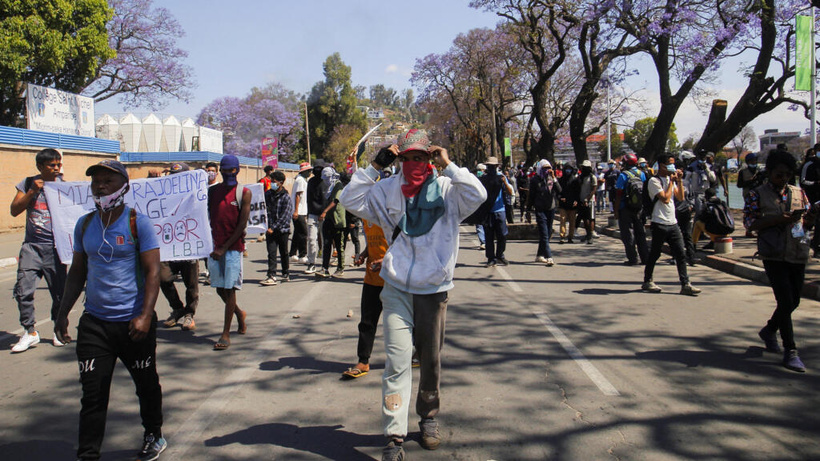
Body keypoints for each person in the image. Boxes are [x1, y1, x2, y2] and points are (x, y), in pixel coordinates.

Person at [339, 129, 485, 461]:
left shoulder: (449, 190)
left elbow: (478, 195)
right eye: (407, 158)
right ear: (400, 159)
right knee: (397, 361)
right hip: (396, 289)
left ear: (430, 158)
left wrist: (450, 165)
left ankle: (428, 419)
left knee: (430, 362)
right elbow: (350, 199)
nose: (414, 164)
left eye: (421, 157)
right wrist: (376, 166)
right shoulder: (387, 190)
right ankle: (394, 435)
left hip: (433, 291)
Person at [54, 160, 166, 461]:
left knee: (146, 384)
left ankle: (154, 433)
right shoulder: (85, 224)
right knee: (93, 393)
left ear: (124, 187)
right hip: (95, 324)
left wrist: (144, 315)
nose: (101, 186)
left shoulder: (137, 222)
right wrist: (63, 312)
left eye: (108, 181)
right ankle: (88, 453)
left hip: (132, 323)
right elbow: (77, 272)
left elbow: (153, 271)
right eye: (96, 182)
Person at [745, 149, 810, 372]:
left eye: (787, 175)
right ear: (770, 172)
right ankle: (790, 350)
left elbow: (806, 221)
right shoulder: (757, 194)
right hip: (773, 254)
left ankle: (770, 329)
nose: (783, 179)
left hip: (797, 252)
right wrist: (775, 220)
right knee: (784, 300)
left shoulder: (798, 192)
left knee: (794, 301)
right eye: (779, 175)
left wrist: (809, 217)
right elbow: (750, 223)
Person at [9, 148, 67, 352]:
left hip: (55, 249)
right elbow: (14, 210)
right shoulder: (27, 184)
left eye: (59, 164)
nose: (57, 168)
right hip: (31, 247)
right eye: (52, 165)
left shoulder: (64, 187)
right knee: (23, 291)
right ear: (40, 167)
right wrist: (33, 191)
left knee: (60, 294)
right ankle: (30, 332)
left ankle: (59, 329)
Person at [641, 153, 702, 296]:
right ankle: (647, 280)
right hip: (659, 222)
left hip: (673, 222)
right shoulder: (654, 181)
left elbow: (680, 197)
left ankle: (685, 284)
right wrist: (670, 183)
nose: (672, 167)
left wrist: (678, 181)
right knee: (655, 254)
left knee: (681, 253)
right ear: (662, 165)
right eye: (669, 164)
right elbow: (665, 199)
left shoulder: (670, 179)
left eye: (673, 164)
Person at [207, 155, 250, 350]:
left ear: (237, 170)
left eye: (231, 170)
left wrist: (224, 247)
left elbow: (242, 224)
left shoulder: (244, 193)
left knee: (230, 288)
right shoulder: (213, 191)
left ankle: (225, 333)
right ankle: (239, 313)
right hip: (214, 247)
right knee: (219, 288)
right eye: (224, 170)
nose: (228, 174)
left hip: (232, 248)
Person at [341, 219, 389, 380]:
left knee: (405, 321)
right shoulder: (366, 217)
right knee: (367, 322)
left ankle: (419, 352)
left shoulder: (391, 212)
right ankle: (363, 361)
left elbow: (403, 244)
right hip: (372, 278)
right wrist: (363, 255)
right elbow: (373, 244)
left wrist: (386, 261)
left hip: (394, 280)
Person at [159, 163, 200, 332]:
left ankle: (189, 313)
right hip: (168, 245)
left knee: (191, 283)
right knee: (163, 277)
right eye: (173, 175)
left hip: (189, 245)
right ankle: (177, 308)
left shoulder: (196, 194)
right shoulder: (163, 195)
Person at [614, 153, 649, 265]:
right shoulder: (642, 174)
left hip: (625, 208)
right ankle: (645, 258)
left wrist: (616, 210)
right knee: (640, 233)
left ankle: (633, 258)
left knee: (628, 234)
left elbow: (619, 194)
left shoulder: (623, 175)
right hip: (639, 208)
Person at [479, 156, 513, 266]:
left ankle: (500, 255)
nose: (491, 168)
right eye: (489, 166)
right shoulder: (483, 179)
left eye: (493, 166)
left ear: (497, 167)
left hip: (500, 210)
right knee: (489, 236)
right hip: (488, 211)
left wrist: (505, 182)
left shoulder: (501, 178)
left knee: (502, 235)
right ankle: (491, 258)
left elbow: (510, 192)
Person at [261, 171, 294, 286]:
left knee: (283, 252)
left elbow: (285, 216)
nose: (272, 183)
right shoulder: (268, 194)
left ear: (280, 183)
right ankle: (271, 275)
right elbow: (263, 210)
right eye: (271, 181)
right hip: (270, 229)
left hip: (282, 230)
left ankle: (285, 273)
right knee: (271, 252)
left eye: (274, 182)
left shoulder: (286, 197)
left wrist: (273, 227)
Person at [526, 159, 561, 266]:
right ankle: (549, 256)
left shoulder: (552, 179)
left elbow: (559, 190)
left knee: (548, 233)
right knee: (544, 233)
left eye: (548, 168)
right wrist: (528, 210)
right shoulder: (535, 180)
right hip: (540, 209)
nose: (547, 170)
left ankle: (539, 255)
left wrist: (554, 178)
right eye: (544, 168)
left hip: (550, 209)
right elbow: (531, 195)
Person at [317, 166, 346, 278]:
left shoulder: (338, 185)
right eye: (324, 178)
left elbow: (335, 201)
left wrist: (324, 212)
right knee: (327, 244)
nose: (326, 180)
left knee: (339, 245)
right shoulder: (328, 187)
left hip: (337, 220)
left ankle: (340, 268)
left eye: (327, 177)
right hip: (329, 220)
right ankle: (325, 268)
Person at [305, 162, 327, 274]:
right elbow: (308, 198)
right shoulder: (311, 182)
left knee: (324, 240)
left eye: (320, 168)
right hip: (312, 214)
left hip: (324, 215)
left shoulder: (326, 182)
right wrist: (307, 213)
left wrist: (325, 212)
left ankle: (324, 264)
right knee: (311, 240)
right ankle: (311, 263)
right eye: (316, 168)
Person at [289, 162, 311, 263]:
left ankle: (293, 253)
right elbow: (298, 195)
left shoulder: (300, 180)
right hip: (299, 211)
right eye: (309, 171)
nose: (310, 172)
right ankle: (303, 254)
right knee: (303, 233)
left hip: (300, 210)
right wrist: (296, 211)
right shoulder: (301, 181)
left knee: (297, 233)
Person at [557, 164, 580, 244]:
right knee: (562, 220)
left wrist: (576, 201)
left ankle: (570, 237)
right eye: (566, 169)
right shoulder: (561, 180)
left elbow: (578, 192)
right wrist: (560, 197)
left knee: (572, 221)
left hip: (572, 204)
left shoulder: (575, 180)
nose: (568, 171)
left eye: (569, 169)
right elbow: (557, 191)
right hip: (563, 204)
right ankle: (562, 236)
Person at [577, 160, 597, 244]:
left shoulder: (592, 177)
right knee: (584, 219)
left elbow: (593, 190)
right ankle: (587, 234)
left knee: (590, 218)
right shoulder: (580, 177)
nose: (584, 169)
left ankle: (590, 235)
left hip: (590, 200)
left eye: (585, 168)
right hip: (581, 200)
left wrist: (587, 199)